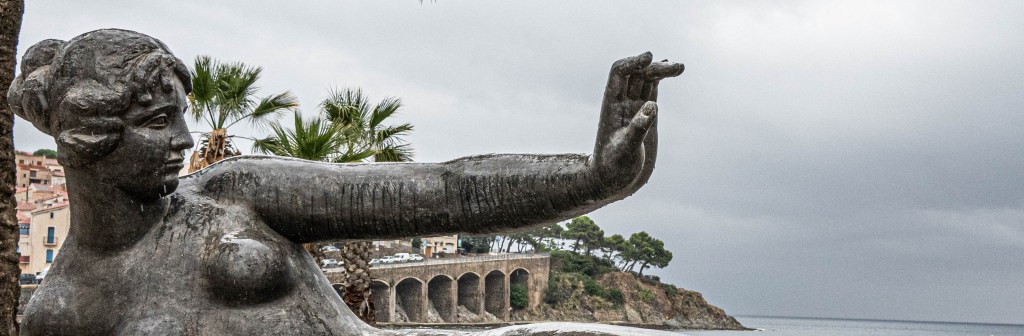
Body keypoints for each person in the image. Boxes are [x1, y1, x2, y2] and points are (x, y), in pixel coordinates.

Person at [8, 29, 683, 335]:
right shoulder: (60, 312)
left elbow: (442, 190)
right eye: (159, 121)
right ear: (87, 136)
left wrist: (593, 178)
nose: (185, 140)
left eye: (183, 116)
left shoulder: (233, 192)